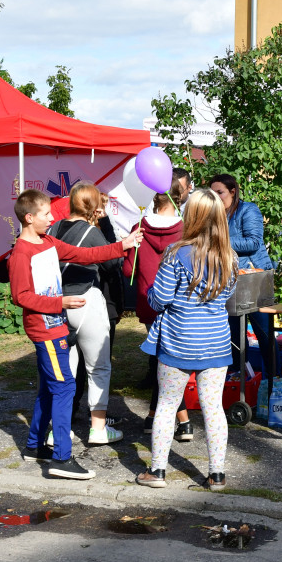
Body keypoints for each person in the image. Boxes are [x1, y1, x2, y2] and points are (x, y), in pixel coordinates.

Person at [11, 189, 141, 480]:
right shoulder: (21, 253)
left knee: (49, 387)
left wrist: (124, 245)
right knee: (65, 387)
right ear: (30, 218)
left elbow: (85, 254)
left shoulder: (48, 241)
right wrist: (61, 302)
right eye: (46, 214)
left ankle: (34, 446)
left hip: (56, 324)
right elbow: (20, 296)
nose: (51, 218)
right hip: (45, 330)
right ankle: (61, 458)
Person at [136, 189, 237, 491]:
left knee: (167, 406)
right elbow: (228, 297)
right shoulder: (229, 256)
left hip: (178, 340)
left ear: (190, 217)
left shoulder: (175, 254)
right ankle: (217, 475)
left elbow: (160, 299)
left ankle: (158, 471)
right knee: (214, 408)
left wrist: (153, 294)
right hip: (216, 342)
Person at [48, 183, 122, 446]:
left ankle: (58, 429)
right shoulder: (91, 232)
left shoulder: (53, 229)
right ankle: (98, 429)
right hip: (85, 300)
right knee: (98, 367)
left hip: (58, 302)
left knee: (64, 369)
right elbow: (113, 263)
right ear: (93, 206)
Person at [124, 184, 192, 439]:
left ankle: (158, 417)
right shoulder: (187, 229)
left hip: (149, 301)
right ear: (179, 198)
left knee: (161, 360)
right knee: (168, 360)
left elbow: (127, 270)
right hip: (181, 304)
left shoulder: (139, 228)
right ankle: (181, 420)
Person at [209, 174, 278, 384]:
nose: (216, 197)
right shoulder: (215, 214)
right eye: (213, 193)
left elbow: (253, 242)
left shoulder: (249, 210)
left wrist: (219, 240)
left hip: (255, 278)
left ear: (232, 191)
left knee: (264, 334)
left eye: (219, 192)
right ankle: (241, 381)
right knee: (234, 337)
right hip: (229, 280)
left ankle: (275, 382)